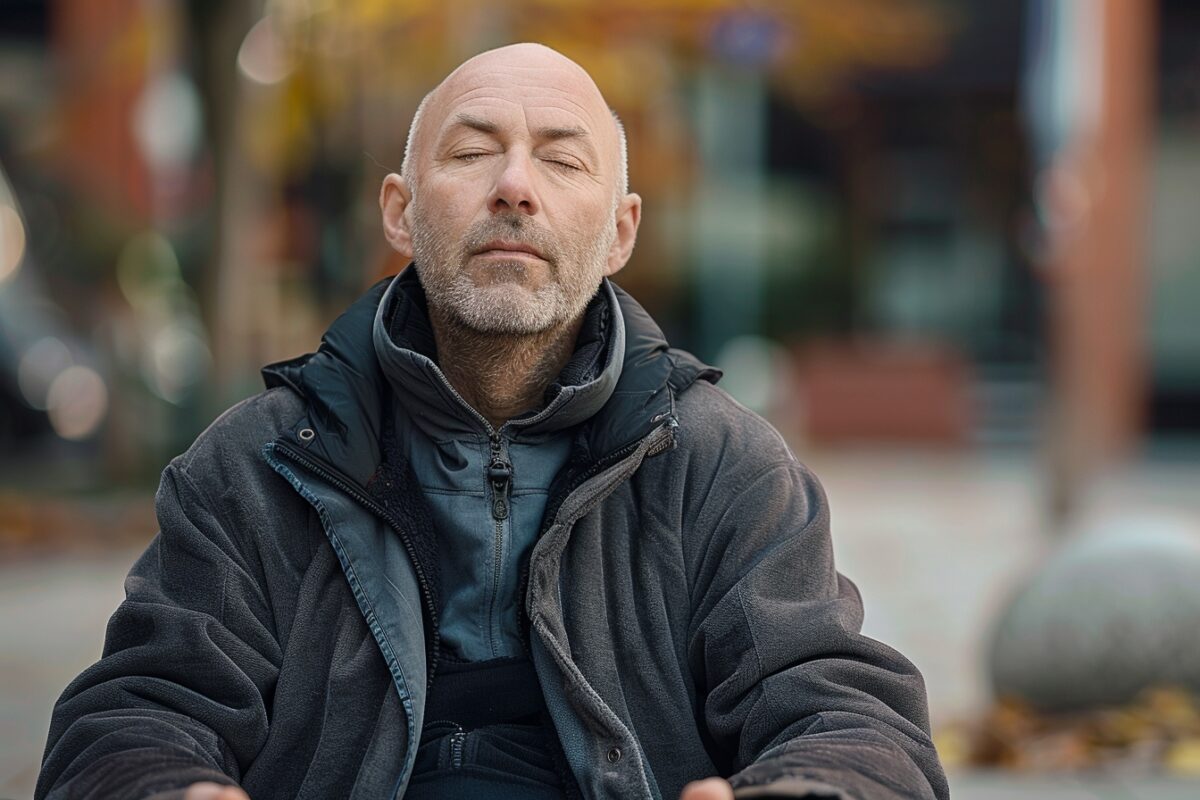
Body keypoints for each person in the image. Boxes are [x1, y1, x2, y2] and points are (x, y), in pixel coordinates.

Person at [36, 43, 947, 800]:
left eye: (561, 158)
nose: (515, 185)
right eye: (472, 152)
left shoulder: (719, 464)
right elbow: (136, 713)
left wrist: (802, 791)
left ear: (620, 231)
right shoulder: (253, 464)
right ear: (400, 209)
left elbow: (847, 712)